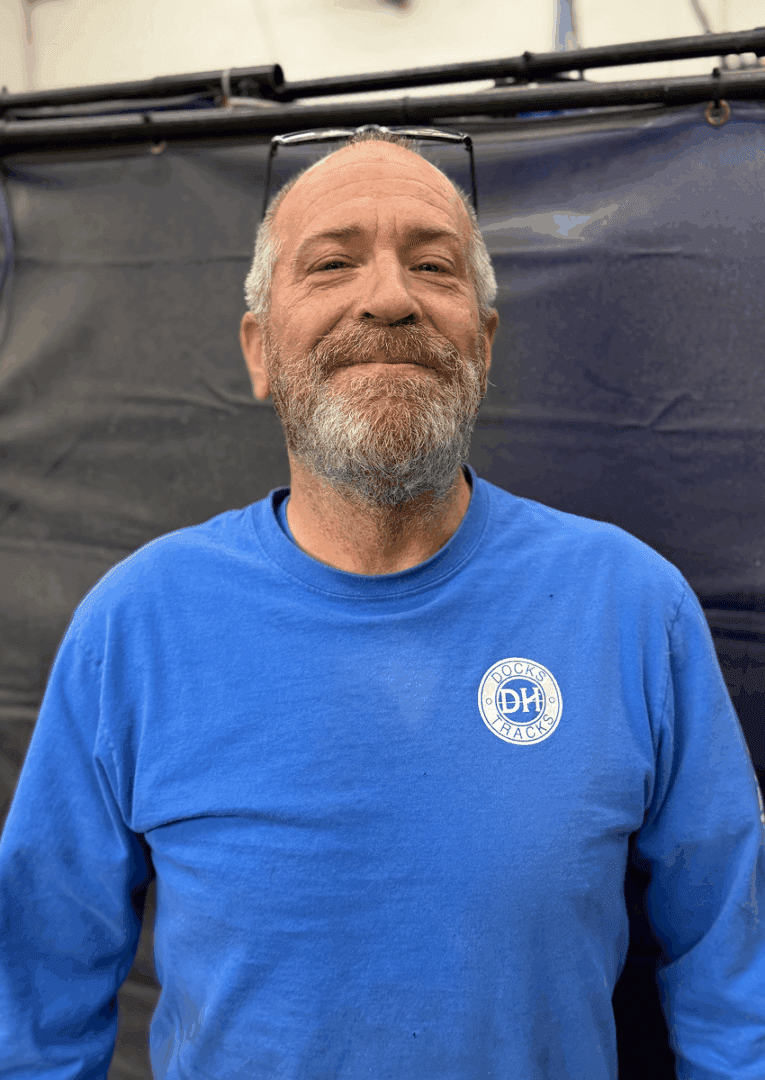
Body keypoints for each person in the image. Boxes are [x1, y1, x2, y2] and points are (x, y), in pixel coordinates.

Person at [0, 128, 763, 1080]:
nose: (390, 298)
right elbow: (33, 1006)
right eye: (331, 264)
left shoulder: (631, 608)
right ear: (259, 350)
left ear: (481, 344)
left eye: (433, 265)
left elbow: (737, 978)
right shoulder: (136, 626)